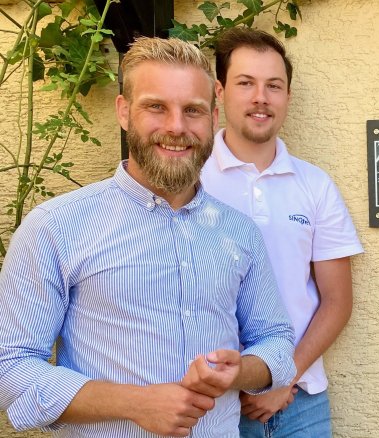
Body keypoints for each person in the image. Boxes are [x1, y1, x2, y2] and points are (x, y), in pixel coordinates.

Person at [0, 37, 296, 437]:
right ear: (124, 112)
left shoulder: (238, 231)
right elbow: (11, 366)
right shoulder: (55, 227)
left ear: (212, 117)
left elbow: (275, 340)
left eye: (192, 110)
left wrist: (239, 371)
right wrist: (137, 404)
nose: (176, 127)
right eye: (156, 107)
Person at [200, 28, 364, 437]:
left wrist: (282, 378)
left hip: (299, 403)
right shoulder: (191, 180)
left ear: (287, 96)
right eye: (246, 83)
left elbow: (337, 301)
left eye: (274, 85)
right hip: (207, 406)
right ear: (219, 92)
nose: (261, 97)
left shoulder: (315, 185)